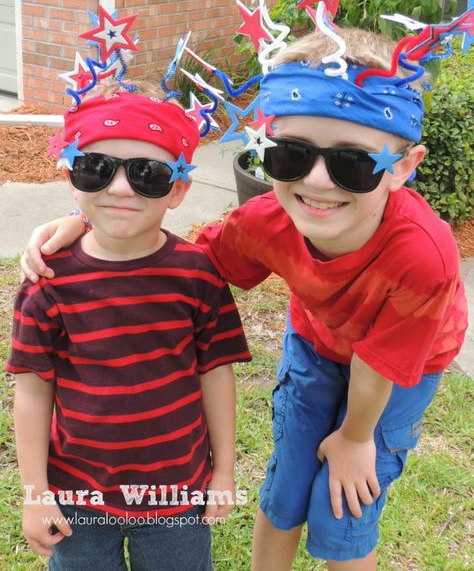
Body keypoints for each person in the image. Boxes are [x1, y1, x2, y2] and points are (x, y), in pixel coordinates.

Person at [20, 28, 468, 570]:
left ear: (402, 165)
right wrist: (86, 217)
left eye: (352, 162)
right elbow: (183, 266)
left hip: (403, 369)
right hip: (318, 345)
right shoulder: (265, 222)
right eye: (291, 155)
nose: (318, 181)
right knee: (285, 491)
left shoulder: (423, 255)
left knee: (344, 507)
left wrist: (354, 437)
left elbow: (379, 366)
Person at [8, 81, 251, 571]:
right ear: (73, 178)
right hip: (76, 492)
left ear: (178, 189)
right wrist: (35, 494)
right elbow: (33, 392)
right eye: (96, 168)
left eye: (148, 174)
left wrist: (223, 470)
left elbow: (215, 373)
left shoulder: (198, 274)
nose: (120, 188)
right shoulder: (46, 284)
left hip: (176, 490)